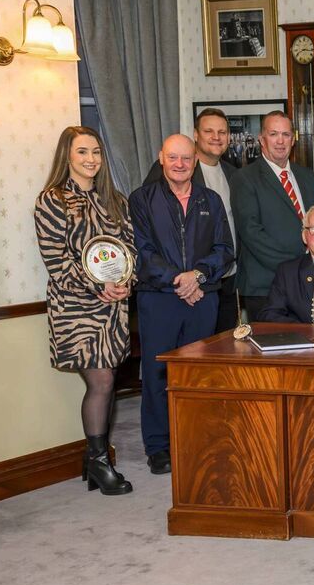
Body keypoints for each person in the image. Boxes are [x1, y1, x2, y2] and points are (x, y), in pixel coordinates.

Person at [34, 126, 136, 496]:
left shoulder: (115, 199)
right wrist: (98, 285)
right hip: (77, 310)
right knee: (103, 381)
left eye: (96, 151)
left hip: (112, 308)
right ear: (67, 156)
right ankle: (99, 461)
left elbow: (128, 249)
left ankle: (94, 462)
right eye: (82, 152)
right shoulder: (52, 200)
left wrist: (126, 280)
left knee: (107, 380)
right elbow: (56, 261)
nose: (91, 159)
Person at [130, 134, 235, 475]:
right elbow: (142, 253)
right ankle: (160, 447)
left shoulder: (211, 199)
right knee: (158, 374)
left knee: (198, 375)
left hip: (203, 298)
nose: (179, 164)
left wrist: (198, 276)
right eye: (173, 157)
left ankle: (196, 439)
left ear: (195, 161)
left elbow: (224, 248)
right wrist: (181, 279)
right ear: (161, 157)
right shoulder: (141, 200)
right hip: (159, 299)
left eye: (186, 158)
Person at [144, 108, 241, 332]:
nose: (216, 137)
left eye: (222, 132)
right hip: (180, 286)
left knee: (221, 351)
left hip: (226, 279)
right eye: (209, 131)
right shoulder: (169, 170)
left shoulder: (234, 174)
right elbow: (154, 226)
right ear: (196, 135)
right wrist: (188, 281)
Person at [230, 111, 314, 319]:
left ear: (294, 139)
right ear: (261, 139)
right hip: (265, 285)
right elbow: (251, 233)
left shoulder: (307, 177)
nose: (280, 141)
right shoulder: (244, 178)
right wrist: (295, 266)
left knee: (309, 346)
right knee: (270, 349)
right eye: (273, 134)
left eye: (286, 134)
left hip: (307, 281)